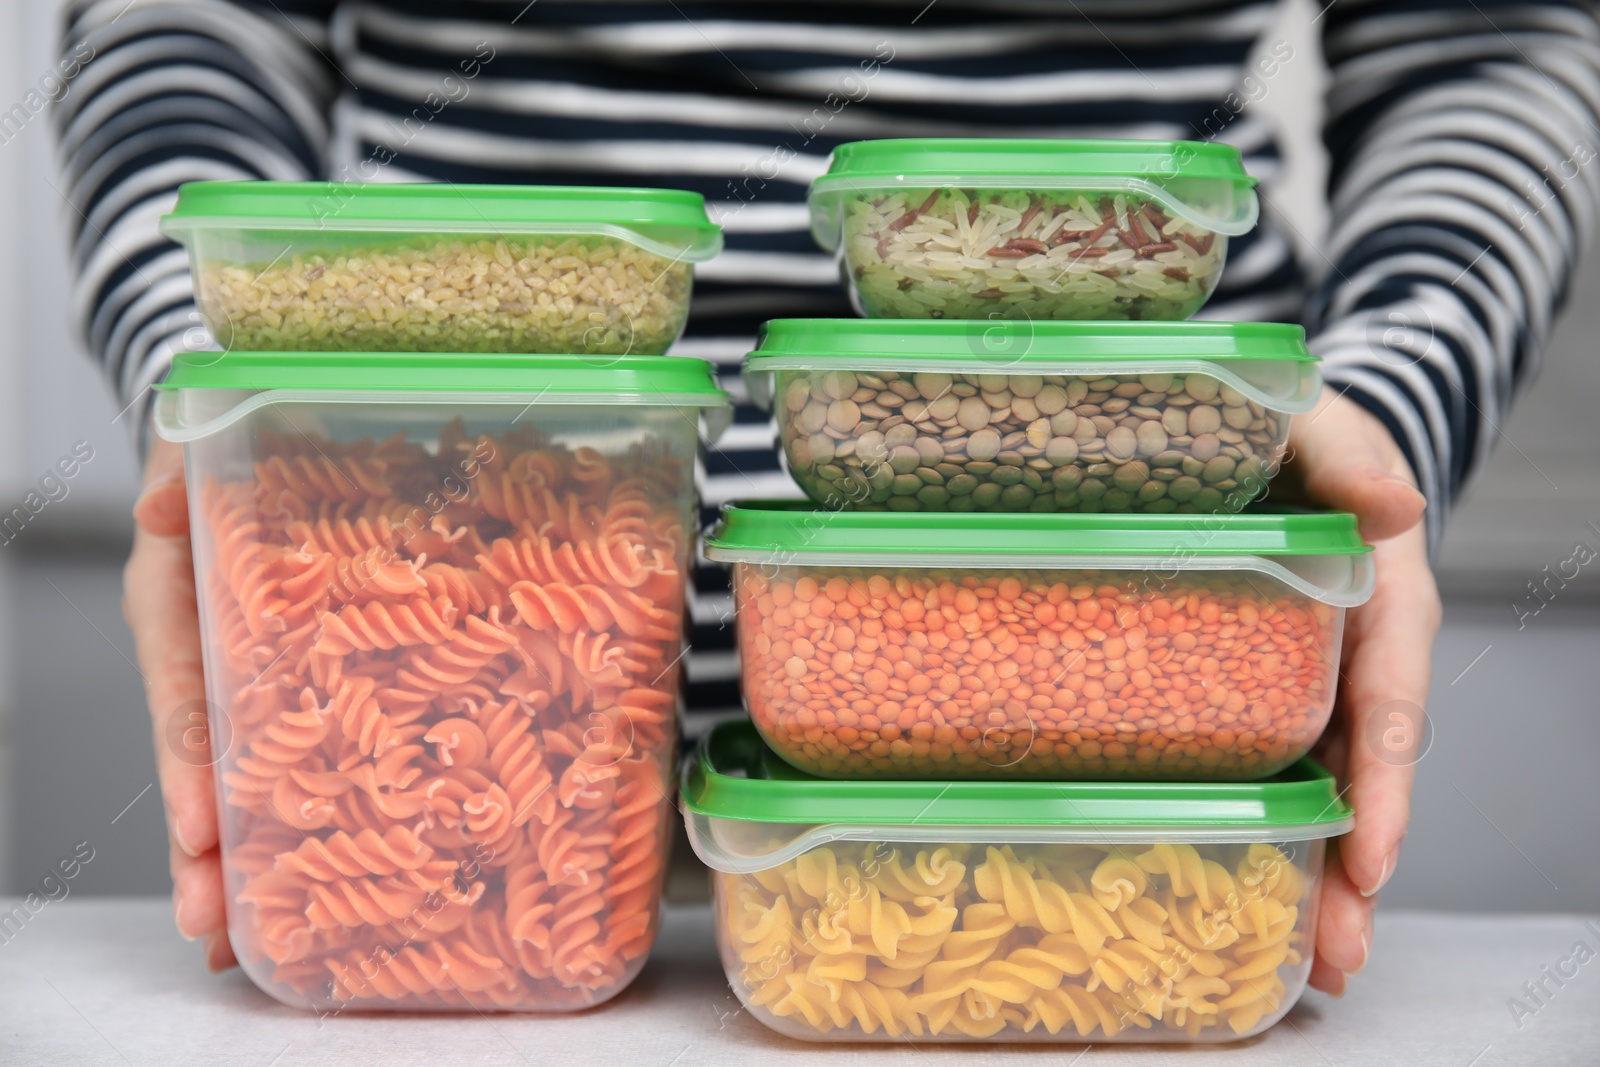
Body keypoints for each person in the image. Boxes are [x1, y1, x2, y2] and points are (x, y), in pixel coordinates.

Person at [54, 0, 1597, 999]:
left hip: (1174, 613)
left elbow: (1490, 39)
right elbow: (185, 22)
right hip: (399, 577)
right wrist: (225, 393)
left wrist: (1387, 412)